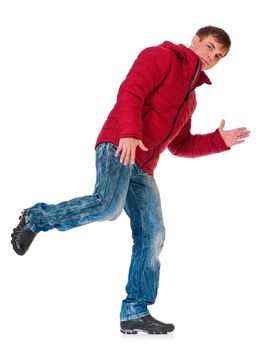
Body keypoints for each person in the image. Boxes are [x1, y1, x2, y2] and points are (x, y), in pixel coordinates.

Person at [11, 26, 250, 334]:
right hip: (118, 145)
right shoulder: (161, 56)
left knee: (153, 233)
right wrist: (129, 133)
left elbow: (180, 145)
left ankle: (134, 311)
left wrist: (219, 141)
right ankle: (36, 217)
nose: (211, 58)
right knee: (107, 207)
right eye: (209, 48)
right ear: (195, 40)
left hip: (143, 168)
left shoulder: (190, 101)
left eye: (218, 56)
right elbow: (131, 91)